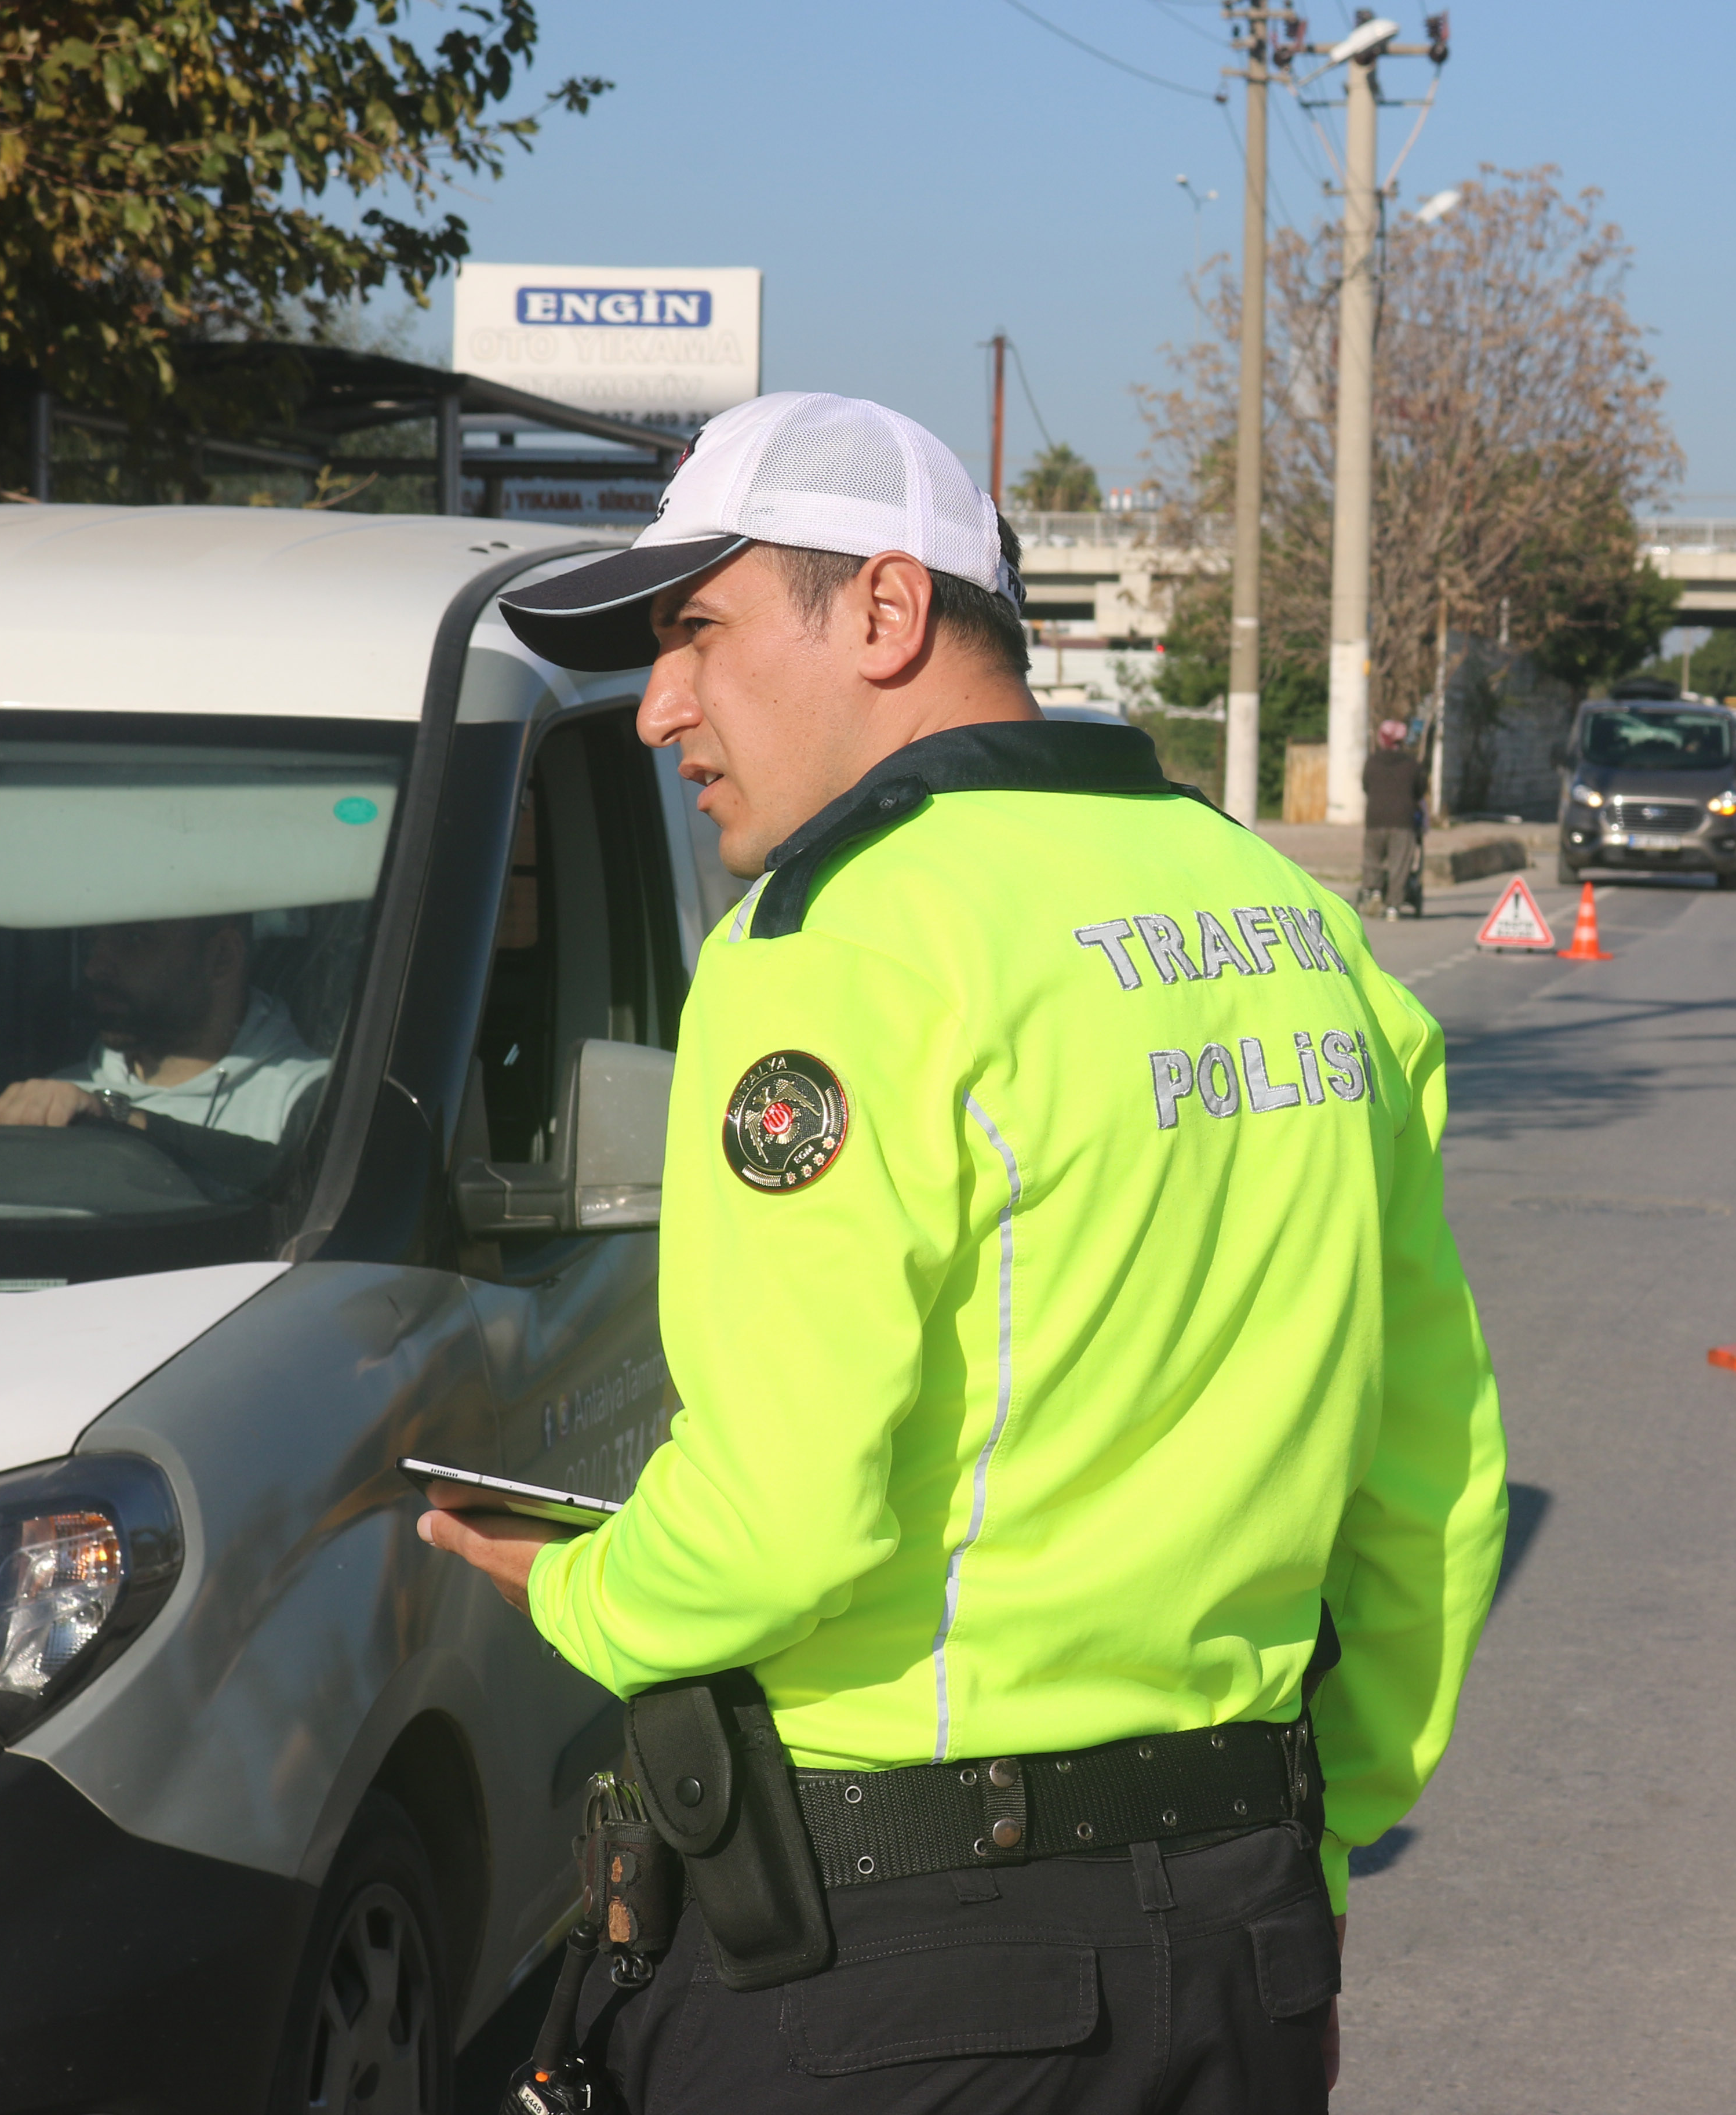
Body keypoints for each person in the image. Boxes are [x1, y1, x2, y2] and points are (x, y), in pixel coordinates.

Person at [420, 391, 1509, 2114]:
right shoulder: (1293, 930)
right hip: (1240, 1936)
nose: (660, 711)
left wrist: (583, 1588)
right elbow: (1430, 1468)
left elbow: (787, 1516)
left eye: (695, 632)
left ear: (884, 609)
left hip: (896, 1967)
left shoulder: (845, 942)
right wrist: (1322, 1840)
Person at [0, 915, 331, 1179]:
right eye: (93, 942)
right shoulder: (59, 1101)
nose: (94, 968)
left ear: (222, 957)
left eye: (134, 939)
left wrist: (115, 1119)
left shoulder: (311, 1101)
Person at [1361, 718, 1424, 920]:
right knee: (1400, 865)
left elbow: (1365, 786)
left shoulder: (1372, 762)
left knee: (1373, 859)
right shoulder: (1411, 765)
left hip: (1376, 819)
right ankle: (1393, 907)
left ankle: (1375, 891)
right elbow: (1420, 790)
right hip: (1403, 821)